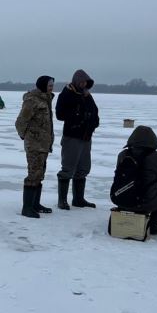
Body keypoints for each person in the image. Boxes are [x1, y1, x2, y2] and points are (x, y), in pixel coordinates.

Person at [112, 125, 157, 235]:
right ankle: (152, 226)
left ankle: (127, 213)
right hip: (145, 203)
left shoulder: (123, 155)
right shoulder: (156, 157)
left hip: (120, 199)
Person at [55, 69, 100, 210]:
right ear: (75, 81)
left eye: (85, 82)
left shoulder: (87, 96)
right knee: (68, 168)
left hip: (86, 137)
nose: (83, 84)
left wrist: (93, 123)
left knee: (83, 168)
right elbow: (59, 114)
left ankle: (78, 199)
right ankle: (62, 201)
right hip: (72, 137)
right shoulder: (67, 94)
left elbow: (95, 112)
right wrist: (78, 116)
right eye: (81, 82)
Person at [15, 76, 55, 218]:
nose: (52, 87)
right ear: (43, 85)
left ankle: (35, 204)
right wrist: (26, 137)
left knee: (39, 174)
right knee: (33, 175)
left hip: (44, 144)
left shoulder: (47, 99)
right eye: (50, 85)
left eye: (52, 85)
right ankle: (27, 208)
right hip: (34, 145)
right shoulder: (32, 100)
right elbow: (21, 121)